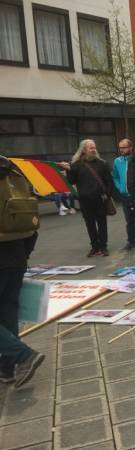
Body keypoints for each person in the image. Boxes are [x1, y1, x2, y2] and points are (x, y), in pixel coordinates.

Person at [0, 156, 45, 389]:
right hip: (17, 254)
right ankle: (7, 368)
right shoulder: (13, 173)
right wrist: (24, 255)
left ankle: (23, 356)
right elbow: (28, 219)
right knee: (7, 311)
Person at [60, 139, 113, 257]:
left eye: (94, 147)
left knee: (102, 223)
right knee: (90, 224)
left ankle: (103, 246)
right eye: (91, 148)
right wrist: (68, 170)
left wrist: (107, 195)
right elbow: (71, 181)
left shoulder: (102, 163)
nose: (94, 150)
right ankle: (95, 247)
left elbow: (109, 181)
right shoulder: (76, 165)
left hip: (100, 199)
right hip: (85, 200)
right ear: (84, 150)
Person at [112, 138, 135, 250]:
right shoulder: (117, 161)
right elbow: (115, 177)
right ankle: (131, 242)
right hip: (125, 196)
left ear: (130, 148)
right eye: (120, 148)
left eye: (124, 147)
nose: (121, 150)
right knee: (129, 220)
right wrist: (120, 187)